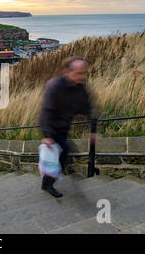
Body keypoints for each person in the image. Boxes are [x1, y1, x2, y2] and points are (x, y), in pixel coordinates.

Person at [38, 56, 95, 198]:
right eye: (78, 73)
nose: (82, 77)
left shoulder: (79, 86)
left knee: (64, 153)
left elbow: (88, 107)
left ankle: (50, 180)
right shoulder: (54, 87)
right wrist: (48, 136)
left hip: (64, 127)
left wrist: (93, 129)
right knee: (62, 154)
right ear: (66, 72)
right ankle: (48, 184)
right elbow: (46, 112)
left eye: (84, 73)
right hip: (52, 127)